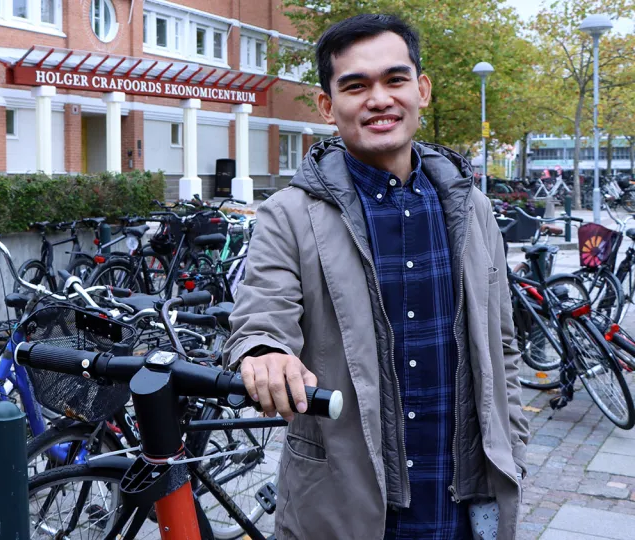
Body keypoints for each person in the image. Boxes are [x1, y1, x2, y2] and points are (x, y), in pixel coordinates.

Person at [224, 14, 529, 540]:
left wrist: (513, 445)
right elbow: (261, 317)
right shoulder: (289, 214)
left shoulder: (473, 208)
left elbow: (502, 345)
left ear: (421, 89)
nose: (379, 99)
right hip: (344, 503)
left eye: (394, 80)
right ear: (327, 106)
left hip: (460, 501)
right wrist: (263, 354)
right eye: (355, 85)